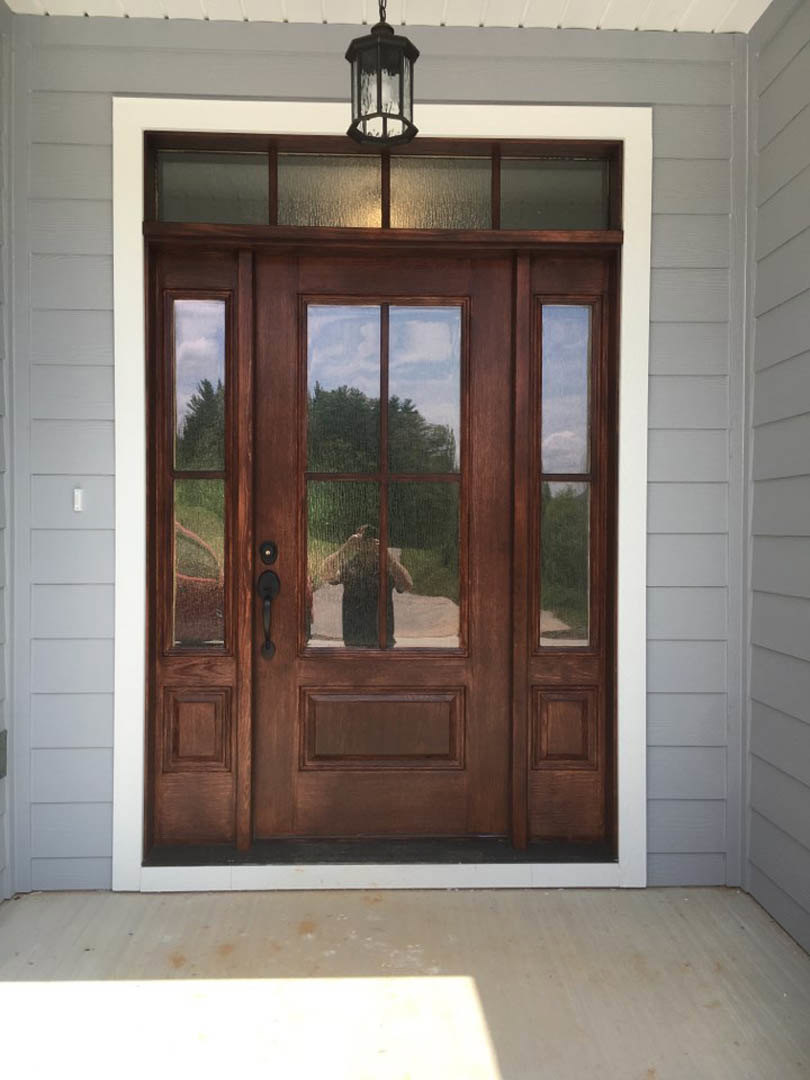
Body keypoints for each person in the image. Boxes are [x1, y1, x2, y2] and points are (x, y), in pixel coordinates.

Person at [321, 524, 412, 647]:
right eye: (361, 541)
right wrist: (345, 548)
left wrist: (386, 555)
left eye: (369, 541)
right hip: (354, 641)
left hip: (382, 642)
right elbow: (325, 574)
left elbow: (407, 584)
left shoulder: (387, 568)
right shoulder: (350, 566)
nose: (364, 545)